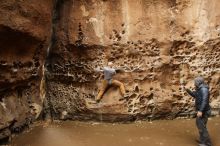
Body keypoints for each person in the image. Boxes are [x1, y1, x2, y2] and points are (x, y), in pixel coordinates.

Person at [184, 76, 212, 146]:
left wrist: (201, 111)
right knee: (200, 125)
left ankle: (207, 143)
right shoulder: (200, 89)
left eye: (195, 82)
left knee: (202, 126)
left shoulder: (204, 89)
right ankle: (202, 139)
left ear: (198, 82)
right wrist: (187, 90)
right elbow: (195, 95)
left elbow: (204, 101)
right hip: (203, 111)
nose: (194, 83)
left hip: (204, 111)